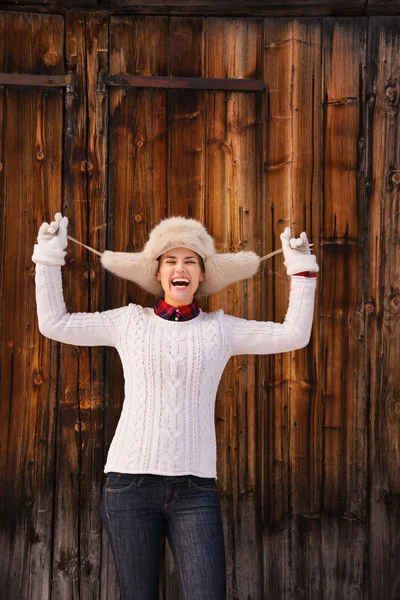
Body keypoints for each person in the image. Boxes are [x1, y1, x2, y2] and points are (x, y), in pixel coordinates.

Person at [32, 214, 318, 600]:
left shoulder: (221, 328)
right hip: (128, 484)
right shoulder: (128, 322)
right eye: (170, 260)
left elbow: (294, 335)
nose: (180, 268)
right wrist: (48, 258)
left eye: (190, 261)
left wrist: (301, 271)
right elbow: (54, 323)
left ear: (201, 275)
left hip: (195, 490)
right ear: (158, 272)